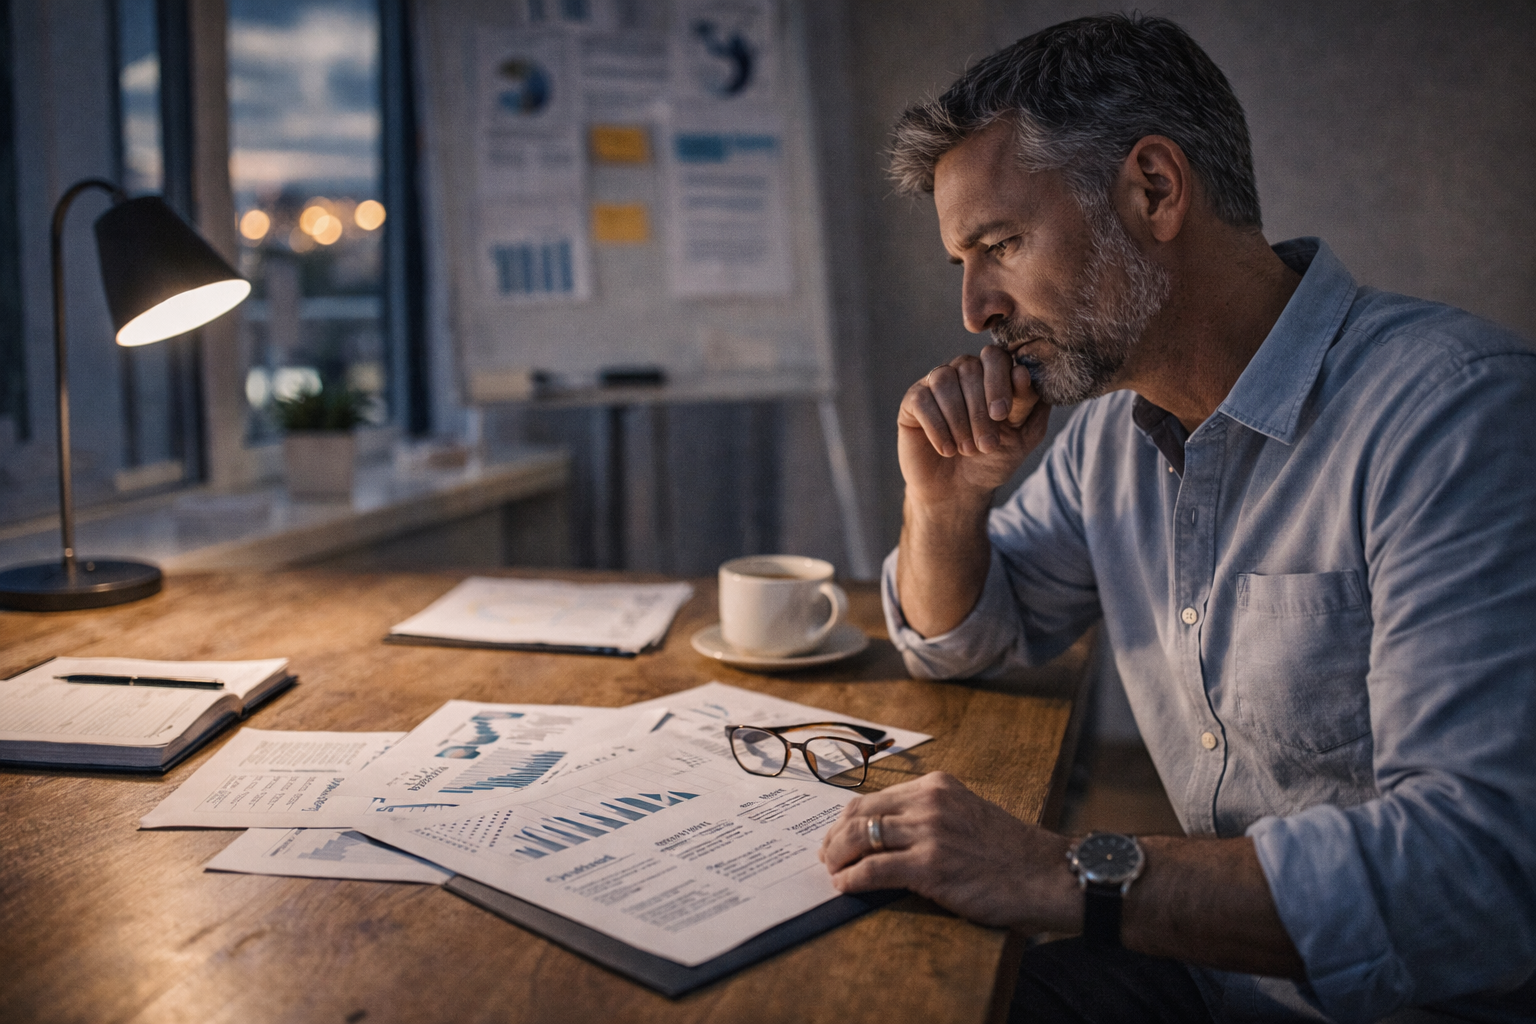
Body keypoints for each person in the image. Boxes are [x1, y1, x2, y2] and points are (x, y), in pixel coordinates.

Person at [815, 14, 1536, 1023]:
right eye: (960, 264)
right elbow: (967, 638)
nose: (976, 307)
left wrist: (1069, 872)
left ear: (1154, 189)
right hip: (1210, 974)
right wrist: (945, 503)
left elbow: (1478, 879)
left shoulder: (1455, 415)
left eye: (1000, 245)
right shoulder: (1118, 433)